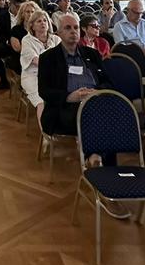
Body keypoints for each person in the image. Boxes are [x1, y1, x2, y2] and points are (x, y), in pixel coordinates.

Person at [38, 13, 119, 172]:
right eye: (68, 28)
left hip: (94, 101)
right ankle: (100, 161)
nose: (73, 31)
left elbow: (109, 82)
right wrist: (70, 96)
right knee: (97, 115)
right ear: (59, 33)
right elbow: (44, 91)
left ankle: (98, 160)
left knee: (108, 113)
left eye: (76, 28)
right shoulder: (48, 58)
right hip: (64, 109)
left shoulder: (92, 54)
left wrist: (96, 92)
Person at [20, 10, 61, 120]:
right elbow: (36, 61)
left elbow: (63, 59)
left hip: (54, 75)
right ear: (32, 26)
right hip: (33, 75)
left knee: (64, 96)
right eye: (39, 21)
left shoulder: (56, 39)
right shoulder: (27, 40)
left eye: (45, 21)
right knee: (42, 101)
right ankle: (45, 135)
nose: (43, 23)